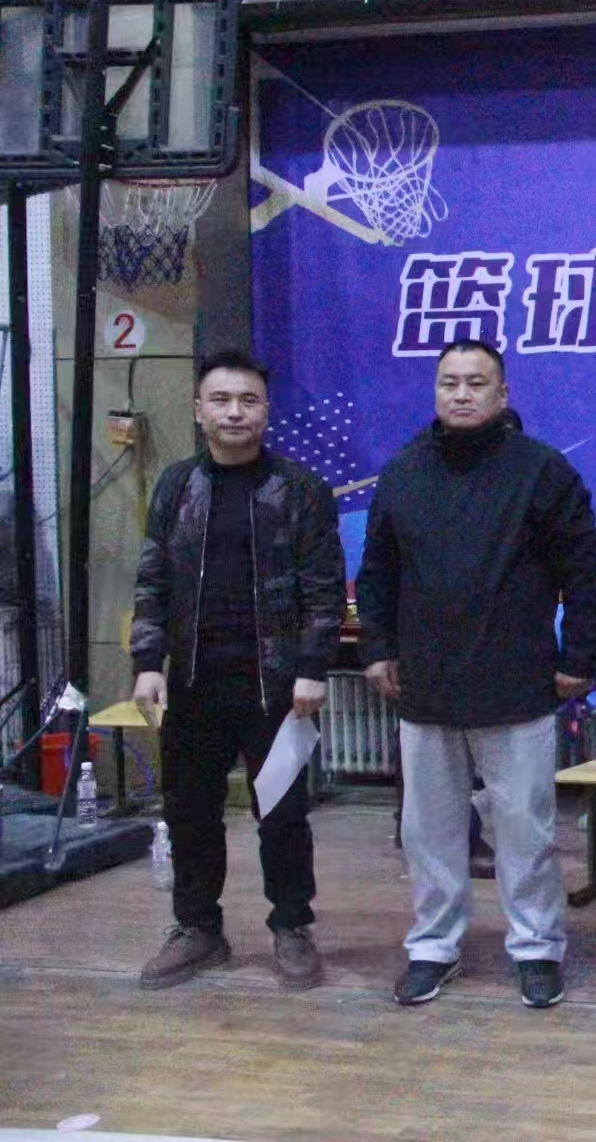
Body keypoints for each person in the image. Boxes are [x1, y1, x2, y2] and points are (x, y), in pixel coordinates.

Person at [357, 339, 596, 1009]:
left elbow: (585, 573)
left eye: (476, 383)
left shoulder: (542, 472)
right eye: (450, 383)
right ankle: (433, 946)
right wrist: (377, 648)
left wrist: (579, 659)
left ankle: (537, 947)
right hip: (424, 685)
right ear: (435, 392)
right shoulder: (404, 473)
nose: (462, 394)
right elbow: (378, 572)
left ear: (502, 394)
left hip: (517, 683)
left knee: (526, 830)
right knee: (428, 833)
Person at [129, 350, 345, 990]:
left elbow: (324, 589)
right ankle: (198, 928)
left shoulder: (299, 490)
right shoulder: (176, 486)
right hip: (194, 684)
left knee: (282, 814)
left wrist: (313, 667)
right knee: (190, 811)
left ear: (266, 411)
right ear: (199, 410)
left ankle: (292, 924)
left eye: (248, 401)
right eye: (220, 400)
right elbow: (151, 581)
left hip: (276, 687)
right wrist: (148, 663)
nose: (234, 412)